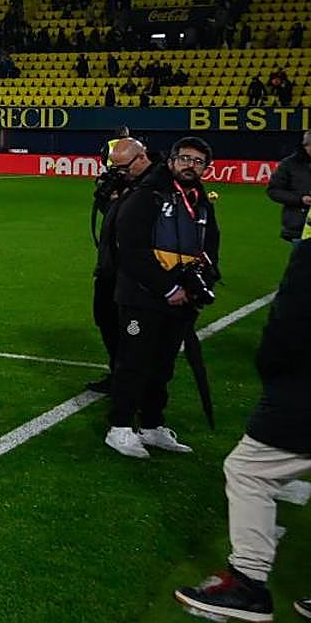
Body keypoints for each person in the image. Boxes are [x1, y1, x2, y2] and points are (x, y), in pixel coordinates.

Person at [172, 238, 311, 621]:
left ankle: (248, 583)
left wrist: (275, 377)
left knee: (249, 470)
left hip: (301, 396)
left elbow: (288, 330)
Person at [106, 136, 221, 459]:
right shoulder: (147, 195)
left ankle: (153, 424)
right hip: (141, 297)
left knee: (162, 365)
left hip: (181, 299)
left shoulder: (199, 200)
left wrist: (202, 282)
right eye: (185, 158)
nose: (190, 165)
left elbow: (210, 244)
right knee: (133, 362)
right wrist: (168, 288)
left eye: (198, 162)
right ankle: (120, 427)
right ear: (171, 160)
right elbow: (131, 249)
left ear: (205, 168)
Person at [88, 137, 155, 394]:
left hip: (135, 277)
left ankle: (137, 381)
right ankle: (117, 373)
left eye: (124, 168)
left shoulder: (155, 185)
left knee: (133, 330)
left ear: (141, 158)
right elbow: (114, 219)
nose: (121, 173)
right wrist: (109, 198)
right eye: (116, 168)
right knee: (105, 321)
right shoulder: (123, 183)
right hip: (108, 269)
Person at [266, 129, 311, 244]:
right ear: (305, 146)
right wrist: (300, 199)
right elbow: (273, 190)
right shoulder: (289, 164)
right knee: (302, 261)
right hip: (299, 227)